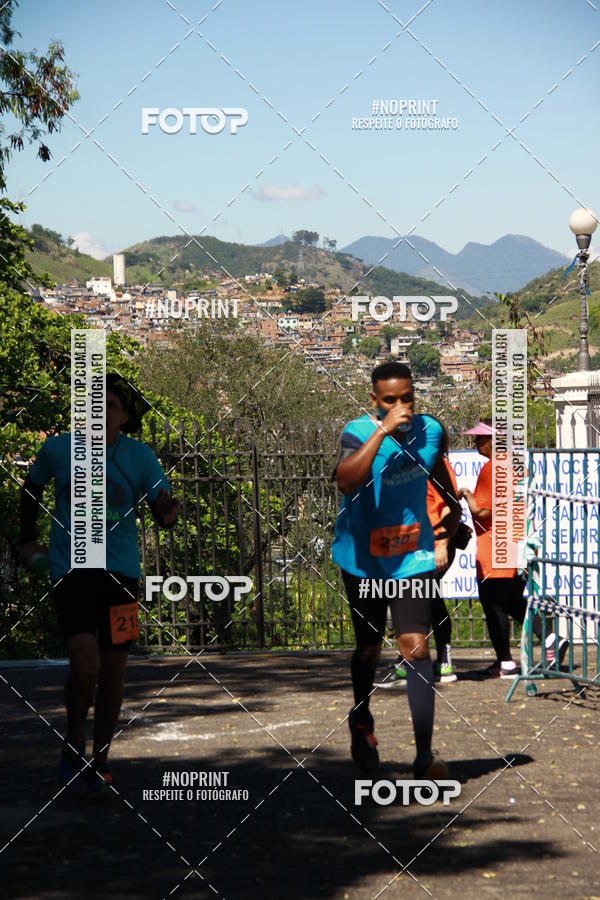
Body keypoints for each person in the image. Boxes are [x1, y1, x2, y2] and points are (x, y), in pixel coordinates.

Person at [19, 373, 179, 796]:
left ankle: (101, 760)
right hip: (72, 572)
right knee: (86, 664)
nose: (101, 413)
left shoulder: (140, 458)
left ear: (124, 416)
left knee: (113, 672)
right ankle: (73, 745)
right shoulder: (59, 448)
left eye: (110, 406)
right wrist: (26, 540)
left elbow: (164, 510)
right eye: (94, 405)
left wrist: (167, 511)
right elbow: (30, 489)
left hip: (121, 576)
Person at [331, 361, 460, 778]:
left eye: (407, 398)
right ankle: (361, 720)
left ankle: (424, 755)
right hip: (363, 560)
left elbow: (438, 475)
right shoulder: (357, 431)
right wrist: (382, 430)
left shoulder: (431, 431)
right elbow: (346, 481)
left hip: (412, 558)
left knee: (415, 646)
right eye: (391, 400)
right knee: (369, 648)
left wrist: (452, 517)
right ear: (374, 400)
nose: (401, 407)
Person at [459, 418, 566, 678]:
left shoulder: (491, 469)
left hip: (494, 547)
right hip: (518, 544)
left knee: (494, 602)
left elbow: (482, 509)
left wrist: (466, 495)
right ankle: (549, 639)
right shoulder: (518, 466)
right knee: (511, 601)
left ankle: (508, 659)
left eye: (481, 438)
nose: (476, 442)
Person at [375, 423, 466, 688]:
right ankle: (440, 662)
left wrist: (441, 543)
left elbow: (451, 508)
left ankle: (415, 663)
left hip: (434, 544)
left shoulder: (436, 465)